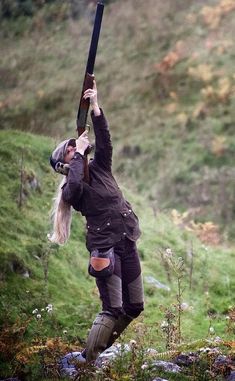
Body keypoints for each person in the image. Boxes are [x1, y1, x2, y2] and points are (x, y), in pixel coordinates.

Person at [49, 80, 144, 363]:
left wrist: (96, 108)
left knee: (135, 306)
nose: (74, 145)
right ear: (64, 164)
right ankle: (89, 362)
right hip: (105, 249)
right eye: (69, 148)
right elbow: (75, 186)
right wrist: (78, 153)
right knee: (111, 308)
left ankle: (101, 352)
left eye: (73, 144)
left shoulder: (100, 166)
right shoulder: (71, 187)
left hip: (126, 240)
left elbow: (105, 142)